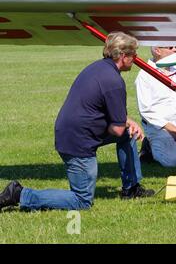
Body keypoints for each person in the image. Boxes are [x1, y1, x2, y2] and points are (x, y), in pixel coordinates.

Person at [0, 32, 155, 212]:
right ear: (122, 55)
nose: (135, 59)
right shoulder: (114, 81)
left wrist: (128, 123)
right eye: (133, 55)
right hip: (78, 142)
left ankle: (131, 188)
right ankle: (19, 194)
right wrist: (125, 124)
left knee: (128, 134)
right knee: (82, 200)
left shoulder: (98, 68)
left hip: (70, 132)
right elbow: (117, 129)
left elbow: (104, 110)